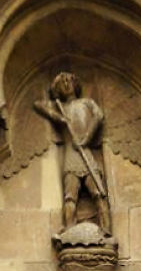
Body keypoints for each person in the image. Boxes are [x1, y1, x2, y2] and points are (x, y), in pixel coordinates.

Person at [34, 71, 112, 237]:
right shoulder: (62, 109)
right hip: (71, 154)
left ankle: (106, 230)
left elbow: (99, 116)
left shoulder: (87, 102)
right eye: (62, 83)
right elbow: (38, 105)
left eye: (69, 80)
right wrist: (57, 117)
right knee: (70, 196)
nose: (67, 84)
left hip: (85, 152)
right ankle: (69, 228)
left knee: (98, 192)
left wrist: (85, 139)